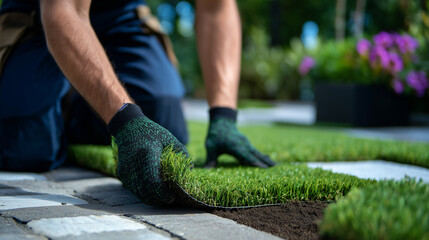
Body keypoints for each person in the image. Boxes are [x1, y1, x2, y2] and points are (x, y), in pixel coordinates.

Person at [0, 0, 275, 205]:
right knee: (28, 146)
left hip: (122, 16)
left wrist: (223, 116)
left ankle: (79, 104)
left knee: (163, 115)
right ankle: (67, 99)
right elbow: (64, 10)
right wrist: (125, 119)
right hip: (37, 16)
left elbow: (216, 7)